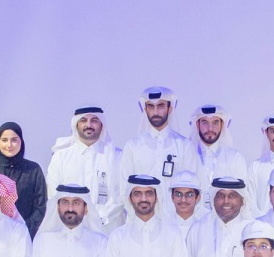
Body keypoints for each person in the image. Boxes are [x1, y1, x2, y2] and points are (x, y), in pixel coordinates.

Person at [119, 87, 198, 216]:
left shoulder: (184, 146)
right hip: (141, 222)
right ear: (145, 110)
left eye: (160, 106)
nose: (155, 111)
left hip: (175, 223)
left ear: (170, 109)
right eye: (151, 106)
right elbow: (125, 190)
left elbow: (191, 188)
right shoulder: (132, 146)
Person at [46, 107, 124, 231]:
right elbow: (54, 194)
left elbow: (122, 194)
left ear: (101, 125)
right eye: (83, 120)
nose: (88, 125)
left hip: (108, 229)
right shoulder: (60, 157)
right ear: (76, 125)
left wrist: (99, 218)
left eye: (94, 120)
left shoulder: (117, 157)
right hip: (70, 228)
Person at [0, 121, 49, 238]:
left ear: (21, 142)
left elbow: (40, 207)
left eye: (14, 140)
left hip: (26, 235)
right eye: (4, 140)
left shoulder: (33, 169)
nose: (9, 145)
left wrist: (23, 230)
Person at [189, 105, 249, 211]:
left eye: (215, 122)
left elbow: (241, 196)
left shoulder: (235, 158)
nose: (210, 128)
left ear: (222, 125)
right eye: (204, 122)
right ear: (197, 125)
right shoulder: (187, 155)